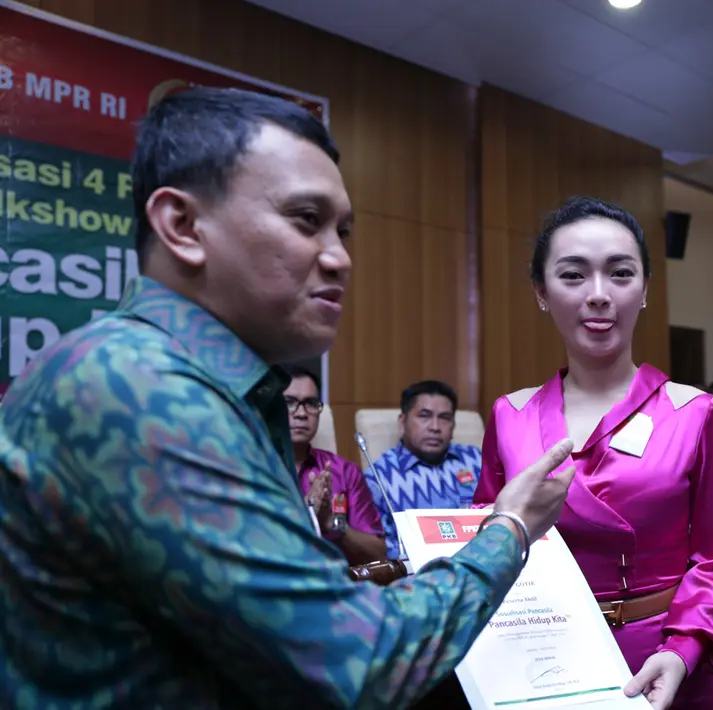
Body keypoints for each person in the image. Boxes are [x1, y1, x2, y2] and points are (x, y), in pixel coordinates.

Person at [0, 86, 578, 708]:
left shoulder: (200, 381)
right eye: (306, 220)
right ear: (183, 226)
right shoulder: (137, 387)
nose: (340, 258)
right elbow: (360, 661)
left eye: (343, 231)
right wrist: (511, 529)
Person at [473, 196, 713, 710]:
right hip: (543, 656)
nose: (599, 295)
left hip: (666, 658)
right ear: (541, 292)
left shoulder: (695, 413)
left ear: (645, 290)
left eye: (621, 274)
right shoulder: (510, 415)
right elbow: (490, 538)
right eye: (573, 275)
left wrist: (683, 650)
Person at [365, 379, 484, 560]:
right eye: (424, 416)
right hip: (418, 572)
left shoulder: (475, 460)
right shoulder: (379, 478)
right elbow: (384, 550)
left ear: (453, 425)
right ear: (402, 422)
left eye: (444, 418)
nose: (435, 427)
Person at [284, 365, 386, 564]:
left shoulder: (344, 471)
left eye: (310, 403)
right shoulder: (253, 466)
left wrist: (332, 523)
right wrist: (304, 514)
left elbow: (377, 554)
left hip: (335, 578)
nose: (301, 413)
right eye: (289, 402)